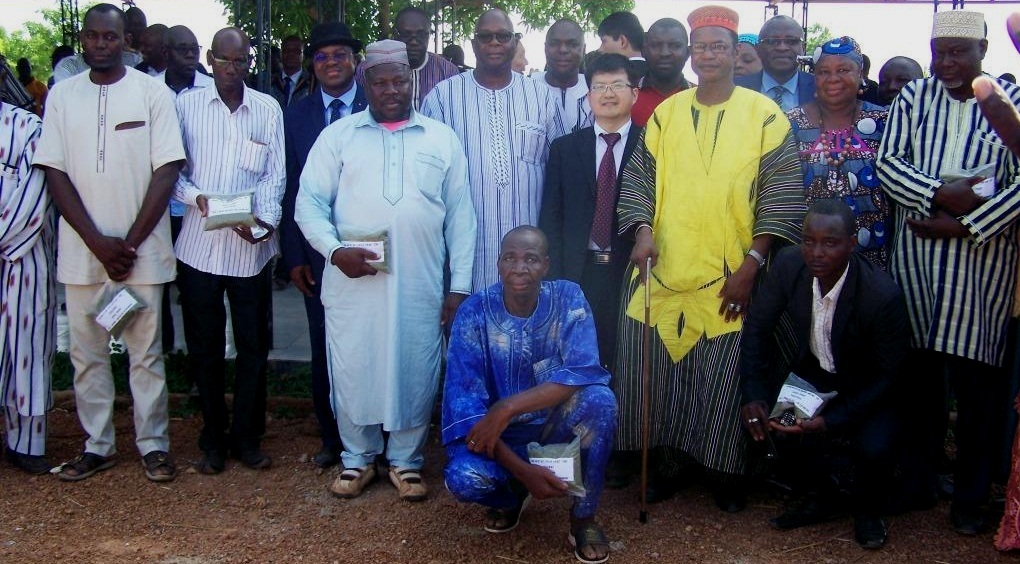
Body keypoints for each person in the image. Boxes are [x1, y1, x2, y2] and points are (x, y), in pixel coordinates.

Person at [613, 5, 805, 512]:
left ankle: (725, 471)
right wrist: (642, 232)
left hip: (730, 274)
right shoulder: (666, 113)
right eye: (701, 47)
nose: (709, 55)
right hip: (664, 269)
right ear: (692, 55)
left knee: (722, 378)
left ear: (737, 52)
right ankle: (668, 465)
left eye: (719, 46)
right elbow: (640, 179)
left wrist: (752, 265)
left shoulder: (764, 115)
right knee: (660, 377)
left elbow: (781, 195)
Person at [295, 39, 476, 501]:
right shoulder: (338, 137)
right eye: (381, 82)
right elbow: (309, 204)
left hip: (420, 280)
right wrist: (335, 251)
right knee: (353, 363)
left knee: (416, 362)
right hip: (352, 281)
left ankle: (406, 460)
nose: (391, 90)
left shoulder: (440, 137)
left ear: (412, 81)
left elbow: (461, 216)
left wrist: (458, 287)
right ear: (366, 83)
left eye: (400, 81)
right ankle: (357, 458)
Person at [876, 9, 1020, 536]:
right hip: (917, 264)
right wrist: (939, 193)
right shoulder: (914, 97)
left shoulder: (1009, 99)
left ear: (984, 50)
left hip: (981, 271)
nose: (947, 64)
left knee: (979, 396)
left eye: (959, 53)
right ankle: (917, 484)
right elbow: (889, 164)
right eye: (940, 54)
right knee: (918, 390)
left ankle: (970, 498)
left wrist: (966, 223)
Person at [33, 3, 184, 482]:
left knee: (146, 354)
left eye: (111, 37)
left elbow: (168, 169)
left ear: (126, 41)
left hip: (142, 256)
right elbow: (54, 172)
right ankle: (97, 444)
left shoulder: (152, 93)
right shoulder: (62, 95)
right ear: (83, 39)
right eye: (93, 36)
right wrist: (98, 243)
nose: (101, 44)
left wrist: (128, 245)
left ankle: (153, 444)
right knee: (87, 354)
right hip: (83, 255)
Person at [442, 226, 617, 564]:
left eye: (531, 259)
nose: (520, 268)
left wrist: (506, 407)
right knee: (465, 479)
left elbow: (583, 370)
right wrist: (524, 473)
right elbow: (467, 412)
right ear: (498, 263)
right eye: (510, 258)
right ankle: (511, 497)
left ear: (546, 265)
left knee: (600, 401)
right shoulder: (474, 312)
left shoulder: (567, 298)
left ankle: (583, 518)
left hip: (552, 430)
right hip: (497, 440)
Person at [741, 200, 909, 549]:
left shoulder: (881, 295)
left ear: (851, 244)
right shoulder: (789, 265)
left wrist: (831, 421)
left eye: (830, 243)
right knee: (781, 427)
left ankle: (867, 511)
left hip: (868, 387)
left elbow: (889, 375)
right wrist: (754, 394)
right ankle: (822, 496)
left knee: (874, 446)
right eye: (808, 241)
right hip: (817, 375)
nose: (816, 253)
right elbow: (757, 328)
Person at [173, 27, 285, 475]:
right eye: (223, 60)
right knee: (205, 347)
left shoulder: (267, 109)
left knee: (253, 346)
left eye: (240, 61)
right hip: (198, 248)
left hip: (249, 251)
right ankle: (212, 438)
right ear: (210, 59)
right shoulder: (186, 106)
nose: (232, 69)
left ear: (249, 63)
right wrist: (197, 198)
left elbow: (274, 176)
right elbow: (173, 172)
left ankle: (246, 437)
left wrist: (263, 225)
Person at [422, 9, 564, 292]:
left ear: (515, 42)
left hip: (530, 259)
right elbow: (427, 180)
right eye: (486, 37)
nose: (495, 43)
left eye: (503, 36)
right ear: (474, 45)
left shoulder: (540, 96)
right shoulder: (443, 97)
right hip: (465, 256)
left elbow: (560, 172)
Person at [280, 20, 367, 469]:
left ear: (355, 61)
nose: (331, 63)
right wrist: (294, 255)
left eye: (340, 55)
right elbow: (291, 187)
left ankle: (376, 434)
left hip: (372, 248)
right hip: (317, 254)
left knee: (371, 341)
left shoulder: (379, 104)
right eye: (321, 56)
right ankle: (332, 437)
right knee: (326, 344)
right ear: (312, 64)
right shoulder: (296, 115)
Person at [539, 52, 641, 375]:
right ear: (588, 96)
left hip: (630, 273)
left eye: (617, 85)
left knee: (627, 361)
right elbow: (551, 218)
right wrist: (555, 280)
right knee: (575, 359)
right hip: (577, 272)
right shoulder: (564, 148)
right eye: (599, 86)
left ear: (634, 94)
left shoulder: (652, 145)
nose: (608, 93)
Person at [787, 36, 891, 268]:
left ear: (860, 73)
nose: (833, 78)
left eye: (843, 70)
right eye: (824, 72)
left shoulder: (883, 121)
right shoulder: (791, 123)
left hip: (870, 253)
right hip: (809, 254)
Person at [0, 101, 56, 475]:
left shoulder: (28, 127)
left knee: (26, 350)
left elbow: (35, 198)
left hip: (22, 258)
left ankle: (26, 443)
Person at [354, 7, 459, 111]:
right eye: (406, 34)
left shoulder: (447, 71)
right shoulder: (368, 69)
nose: (414, 41)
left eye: (421, 35)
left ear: (429, 34)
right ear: (395, 35)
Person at [735, 15, 815, 111]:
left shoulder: (819, 88)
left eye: (791, 41)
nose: (782, 48)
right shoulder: (734, 90)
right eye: (772, 41)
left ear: (803, 48)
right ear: (758, 49)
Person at [533, 19, 593, 133]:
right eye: (554, 43)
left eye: (572, 44)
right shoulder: (527, 88)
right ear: (545, 48)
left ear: (584, 49)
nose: (563, 50)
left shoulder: (596, 90)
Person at [631, 18, 691, 127]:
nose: (664, 53)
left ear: (687, 53)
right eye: (656, 45)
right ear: (644, 51)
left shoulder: (702, 97)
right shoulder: (626, 96)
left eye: (675, 45)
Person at [597, 11, 647, 79]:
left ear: (622, 41)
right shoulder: (656, 73)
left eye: (604, 41)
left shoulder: (608, 78)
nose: (600, 49)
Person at [272, 35, 312, 107]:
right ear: (281, 54)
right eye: (287, 51)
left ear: (303, 55)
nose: (291, 54)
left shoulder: (313, 83)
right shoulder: (270, 82)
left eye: (296, 51)